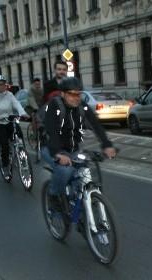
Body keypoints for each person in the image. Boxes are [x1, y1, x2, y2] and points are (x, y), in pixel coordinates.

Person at [39, 76, 116, 212]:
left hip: (72, 148)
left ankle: (80, 210)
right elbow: (52, 132)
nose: (76, 98)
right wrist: (58, 153)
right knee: (65, 170)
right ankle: (53, 196)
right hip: (50, 147)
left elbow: (96, 126)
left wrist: (106, 145)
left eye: (78, 94)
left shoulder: (82, 107)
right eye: (72, 94)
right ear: (63, 94)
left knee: (83, 174)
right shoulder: (54, 106)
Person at [0, 74, 28, 169]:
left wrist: (23, 113)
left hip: (9, 119)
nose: (1, 86)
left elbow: (17, 104)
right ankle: (5, 165)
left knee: (20, 136)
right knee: (4, 143)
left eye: (3, 84)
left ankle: (21, 156)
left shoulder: (10, 95)